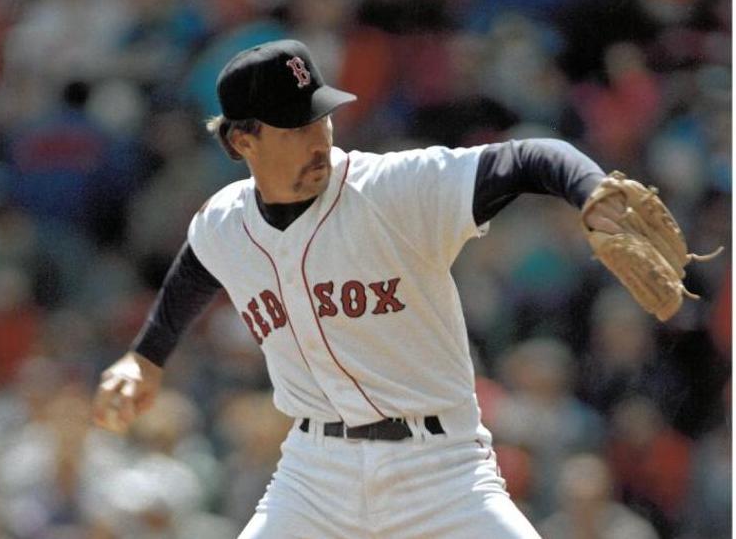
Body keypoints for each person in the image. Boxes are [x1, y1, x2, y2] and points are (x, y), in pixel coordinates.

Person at [92, 39, 629, 538]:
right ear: (242, 140)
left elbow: (530, 158)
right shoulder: (224, 222)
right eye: (294, 127)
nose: (318, 139)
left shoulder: (392, 189)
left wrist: (591, 192)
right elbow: (194, 270)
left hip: (441, 469)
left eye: (319, 118)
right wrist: (146, 359)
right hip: (313, 477)